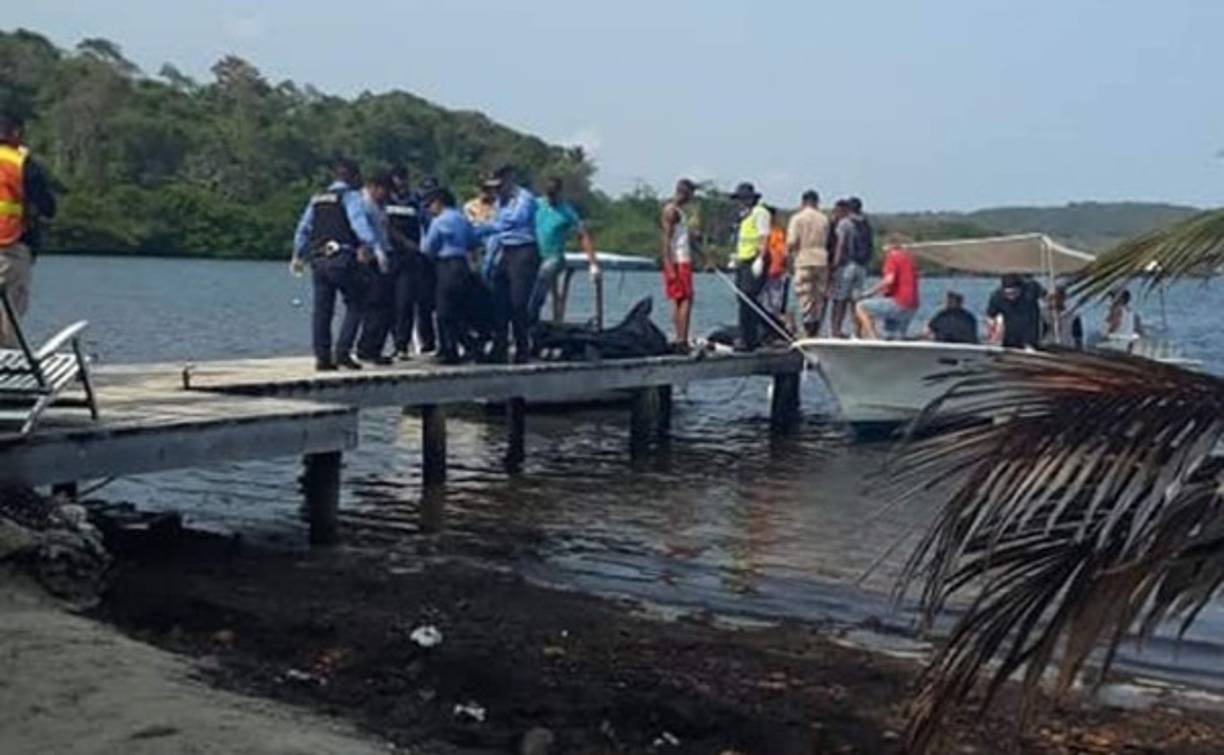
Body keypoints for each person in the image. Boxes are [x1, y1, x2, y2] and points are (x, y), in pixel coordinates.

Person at [291, 158, 387, 371]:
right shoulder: (350, 197)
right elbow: (358, 224)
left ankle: (322, 357)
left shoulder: (317, 198)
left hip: (318, 258)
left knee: (322, 309)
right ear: (353, 177)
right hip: (341, 257)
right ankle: (343, 352)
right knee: (356, 302)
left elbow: (304, 228)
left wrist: (297, 255)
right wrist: (376, 249)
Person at [0, 113, 56, 349]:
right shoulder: (20, 164)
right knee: (8, 314)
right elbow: (48, 207)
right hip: (9, 246)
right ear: (15, 133)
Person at [474, 165, 539, 363]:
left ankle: (522, 349)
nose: (495, 190)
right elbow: (498, 232)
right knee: (499, 300)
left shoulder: (524, 198)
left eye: (498, 185)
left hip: (524, 251)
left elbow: (514, 220)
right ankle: (499, 348)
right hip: (506, 251)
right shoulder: (499, 201)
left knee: (518, 303)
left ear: (509, 180)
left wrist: (486, 226)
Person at [420, 187, 479, 364]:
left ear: (439, 202)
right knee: (459, 308)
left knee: (444, 310)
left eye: (430, 205)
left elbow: (428, 248)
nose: (429, 209)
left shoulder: (439, 221)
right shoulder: (463, 219)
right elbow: (473, 241)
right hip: (462, 264)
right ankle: (470, 345)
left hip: (446, 265)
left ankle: (449, 350)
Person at [529, 176, 598, 324]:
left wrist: (593, 263)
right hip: (533, 254)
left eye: (554, 194)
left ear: (560, 193)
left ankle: (533, 312)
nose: (551, 198)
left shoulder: (567, 211)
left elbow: (582, 235)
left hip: (553, 256)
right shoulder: (535, 205)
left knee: (545, 273)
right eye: (549, 194)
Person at [354, 172, 396, 365]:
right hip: (371, 258)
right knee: (376, 304)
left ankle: (373, 347)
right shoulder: (361, 204)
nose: (386, 195)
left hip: (384, 256)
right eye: (384, 191)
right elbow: (361, 231)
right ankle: (368, 348)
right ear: (374, 187)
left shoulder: (380, 206)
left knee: (386, 306)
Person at [385, 166, 425, 361]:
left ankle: (402, 345)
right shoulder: (385, 200)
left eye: (402, 178)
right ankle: (393, 342)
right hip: (388, 256)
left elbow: (426, 224)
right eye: (396, 179)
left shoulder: (416, 201)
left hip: (410, 258)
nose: (399, 183)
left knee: (405, 302)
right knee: (389, 303)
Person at [728, 182, 771, 352]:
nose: (740, 201)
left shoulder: (760, 213)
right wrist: (736, 257)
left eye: (742, 198)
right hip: (743, 260)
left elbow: (763, 237)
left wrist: (760, 258)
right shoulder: (743, 215)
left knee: (748, 298)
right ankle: (749, 335)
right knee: (742, 299)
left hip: (755, 260)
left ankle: (751, 337)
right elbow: (742, 239)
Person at [855, 235, 918, 340]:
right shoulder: (908, 259)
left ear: (888, 247)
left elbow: (889, 280)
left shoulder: (892, 258)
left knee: (861, 306)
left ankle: (873, 338)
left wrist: (869, 293)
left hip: (899, 303)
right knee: (893, 336)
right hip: (912, 306)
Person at [659, 178, 698, 349]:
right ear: (684, 192)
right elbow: (666, 240)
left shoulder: (680, 212)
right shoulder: (671, 211)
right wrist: (668, 264)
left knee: (680, 298)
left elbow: (684, 238)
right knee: (685, 299)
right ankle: (682, 338)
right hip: (678, 260)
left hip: (682, 258)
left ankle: (680, 337)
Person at [786, 190, 830, 338]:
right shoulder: (824, 219)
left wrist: (788, 257)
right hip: (821, 259)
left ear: (803, 201)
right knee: (818, 296)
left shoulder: (797, 219)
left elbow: (791, 241)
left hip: (804, 258)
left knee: (804, 296)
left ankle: (807, 329)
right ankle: (816, 328)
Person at [829, 198, 873, 338]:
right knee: (856, 302)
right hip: (861, 267)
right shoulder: (865, 223)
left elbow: (841, 244)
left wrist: (835, 264)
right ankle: (857, 332)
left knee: (839, 300)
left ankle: (836, 331)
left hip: (847, 266)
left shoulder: (845, 223)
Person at [986, 273, 1045, 349]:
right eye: (1008, 294)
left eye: (1014, 293)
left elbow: (1046, 296)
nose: (1011, 297)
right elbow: (991, 317)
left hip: (1030, 331)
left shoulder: (1031, 289)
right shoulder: (997, 297)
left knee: (1030, 344)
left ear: (1021, 288)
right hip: (1010, 335)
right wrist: (992, 334)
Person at [758, 206, 791, 339]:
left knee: (775, 305)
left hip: (775, 273)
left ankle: (774, 332)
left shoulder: (778, 233)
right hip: (763, 273)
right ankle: (763, 330)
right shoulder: (762, 232)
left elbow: (783, 253)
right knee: (762, 304)